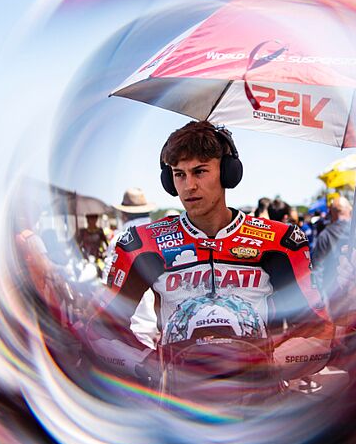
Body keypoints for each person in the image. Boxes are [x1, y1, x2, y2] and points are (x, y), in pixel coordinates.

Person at [87, 121, 332, 382]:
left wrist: (271, 364)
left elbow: (319, 334)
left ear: (227, 173)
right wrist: (148, 363)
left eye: (200, 171)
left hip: (257, 395)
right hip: (178, 395)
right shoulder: (144, 244)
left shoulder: (279, 242)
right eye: (179, 174)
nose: (188, 186)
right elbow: (99, 331)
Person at [101, 187, 159, 349]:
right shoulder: (159, 236)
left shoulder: (120, 239)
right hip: (161, 326)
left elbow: (109, 286)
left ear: (124, 214)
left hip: (134, 328)